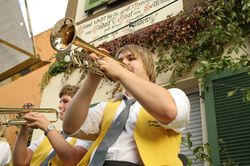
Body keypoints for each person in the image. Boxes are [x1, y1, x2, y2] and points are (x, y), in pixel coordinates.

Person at [63, 44, 191, 166]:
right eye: (120, 60)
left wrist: (122, 72)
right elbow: (70, 127)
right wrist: (92, 78)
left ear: (148, 65)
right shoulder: (107, 106)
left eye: (131, 58)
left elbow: (169, 112)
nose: (123, 62)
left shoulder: (174, 95)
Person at [12, 85, 92, 166]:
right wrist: (24, 125)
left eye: (65, 101)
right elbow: (20, 162)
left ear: (78, 104)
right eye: (60, 102)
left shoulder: (88, 132)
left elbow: (73, 161)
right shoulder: (48, 136)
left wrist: (48, 127)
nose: (59, 106)